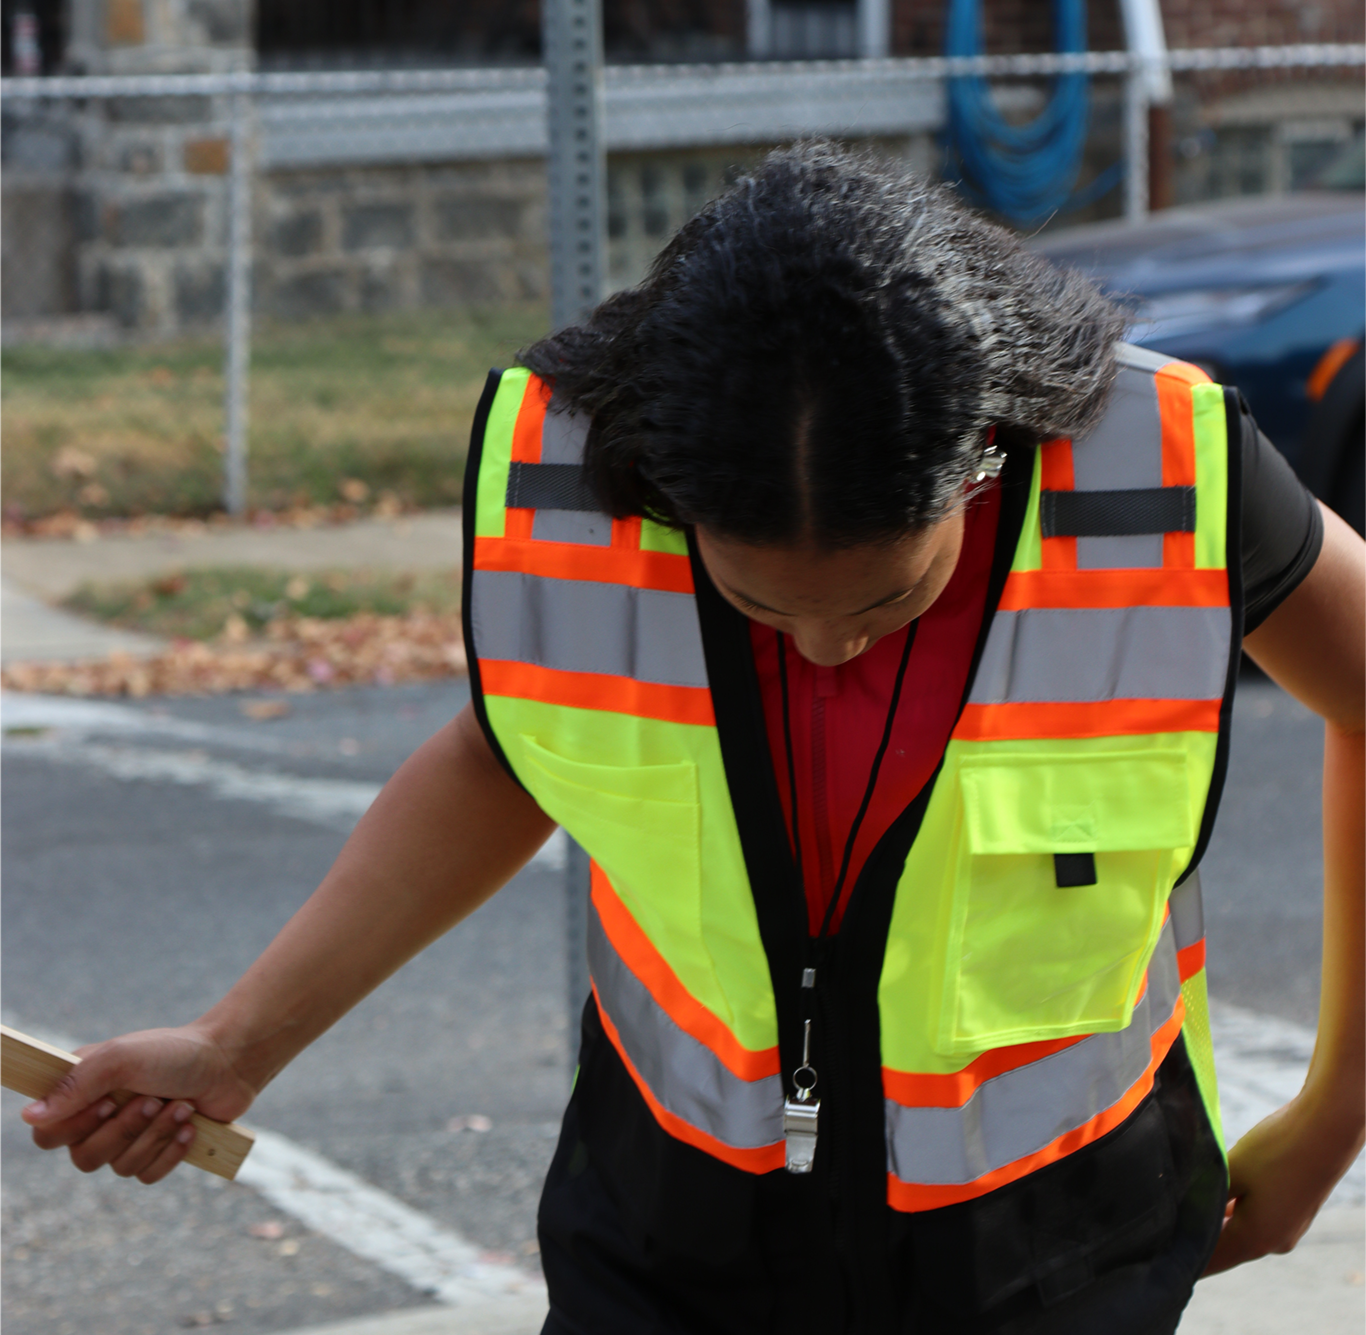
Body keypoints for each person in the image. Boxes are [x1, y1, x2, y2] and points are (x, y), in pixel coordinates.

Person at [21, 145, 1364, 1334]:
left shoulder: (1161, 467)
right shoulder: (569, 486)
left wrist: (1330, 1117)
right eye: (754, 598)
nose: (824, 644)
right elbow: (506, 755)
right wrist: (238, 1043)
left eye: (890, 596)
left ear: (979, 462)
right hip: (669, 1230)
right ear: (662, 491)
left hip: (1062, 1239)